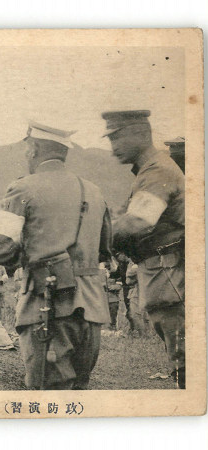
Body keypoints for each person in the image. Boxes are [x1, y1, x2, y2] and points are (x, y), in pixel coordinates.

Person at [0, 121, 112, 390]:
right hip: (92, 307)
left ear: (33, 149)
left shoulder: (24, 188)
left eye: (27, 149)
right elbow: (104, 248)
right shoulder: (94, 191)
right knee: (78, 393)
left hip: (48, 305)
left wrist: (27, 257)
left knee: (49, 393)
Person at [103, 110, 185, 388]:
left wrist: (95, 239)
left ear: (140, 134)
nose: (113, 147)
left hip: (169, 273)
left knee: (185, 360)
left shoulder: (157, 170)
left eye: (117, 138)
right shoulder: (149, 170)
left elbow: (137, 222)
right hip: (162, 271)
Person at [104, 266, 122, 330]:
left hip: (113, 299)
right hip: (102, 300)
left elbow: (119, 286)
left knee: (113, 316)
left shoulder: (115, 274)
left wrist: (111, 287)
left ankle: (113, 328)